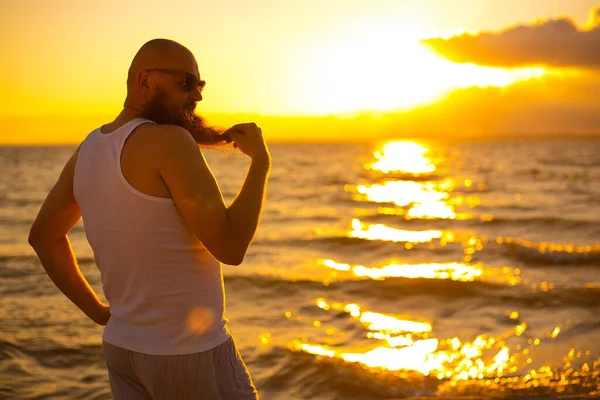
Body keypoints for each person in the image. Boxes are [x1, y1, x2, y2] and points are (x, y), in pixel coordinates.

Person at [27, 38, 269, 399]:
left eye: (200, 85)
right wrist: (260, 164)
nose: (198, 96)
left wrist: (96, 311)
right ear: (145, 81)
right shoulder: (169, 141)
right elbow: (231, 247)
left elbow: (44, 238)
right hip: (182, 351)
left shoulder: (89, 149)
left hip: (123, 349)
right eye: (187, 83)